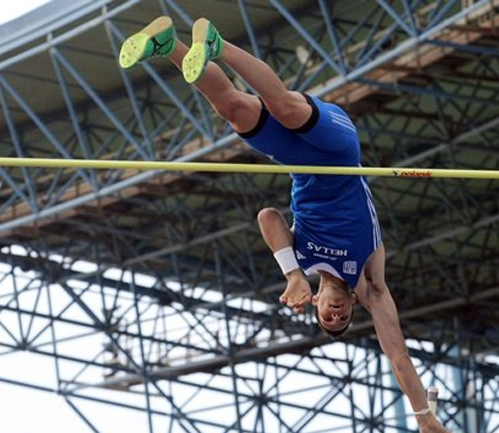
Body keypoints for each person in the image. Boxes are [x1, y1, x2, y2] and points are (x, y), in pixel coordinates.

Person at [120, 16, 451, 433]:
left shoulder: (303, 264)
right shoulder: (370, 280)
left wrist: (293, 274)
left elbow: (268, 217)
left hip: (296, 160)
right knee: (286, 107)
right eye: (342, 318)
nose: (334, 316)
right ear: (351, 305)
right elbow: (396, 351)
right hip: (338, 153)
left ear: (314, 304)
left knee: (233, 108)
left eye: (326, 320)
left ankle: (168, 45)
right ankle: (218, 43)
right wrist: (423, 417)